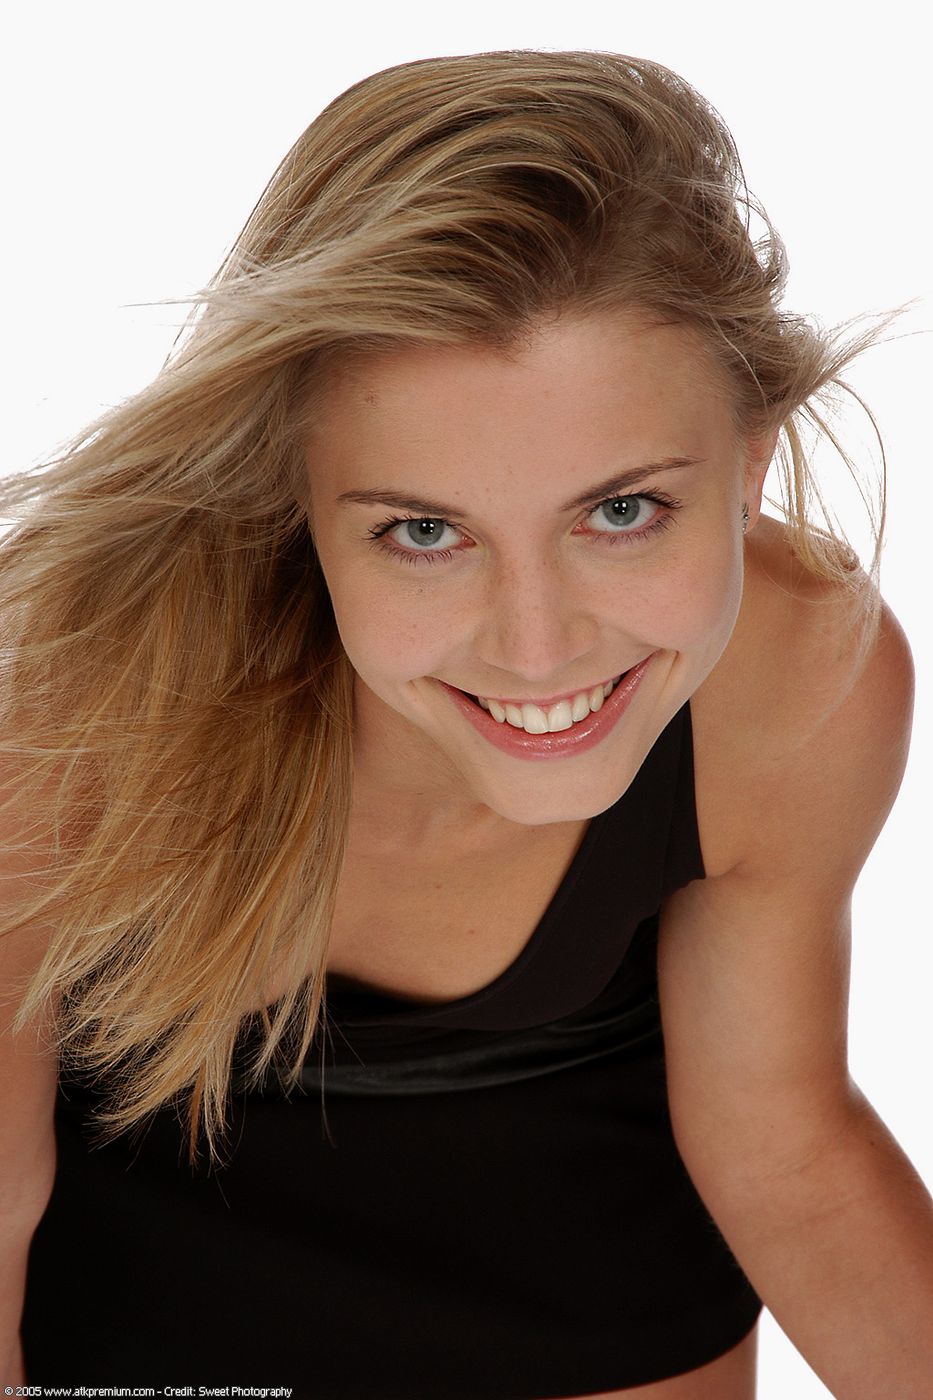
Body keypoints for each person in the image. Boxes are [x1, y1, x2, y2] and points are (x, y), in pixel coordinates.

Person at [1, 47, 931, 1399]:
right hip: (139, 1326)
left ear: (752, 462)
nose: (537, 648)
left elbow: (781, 1150)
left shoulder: (802, 670)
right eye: (425, 533)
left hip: (601, 1294)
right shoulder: (65, 705)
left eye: (622, 511)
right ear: (293, 493)